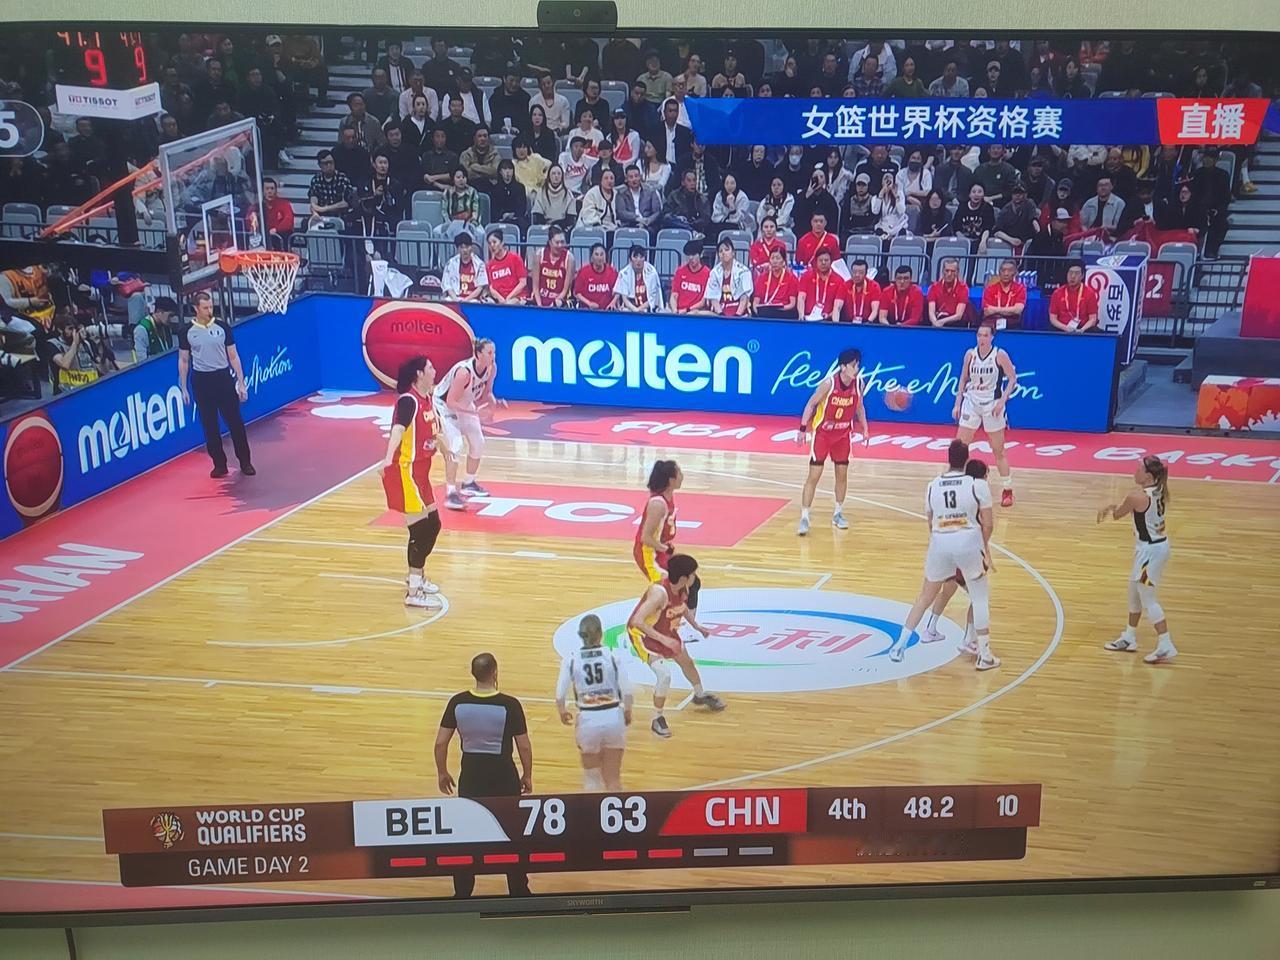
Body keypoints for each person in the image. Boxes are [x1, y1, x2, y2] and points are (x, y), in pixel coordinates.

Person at [887, 439, 999, 671]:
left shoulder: (932, 485)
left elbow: (930, 522)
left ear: (948, 459)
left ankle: (899, 645)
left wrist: (940, 544)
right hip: (968, 543)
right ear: (967, 459)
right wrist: (983, 547)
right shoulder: (977, 484)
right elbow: (988, 524)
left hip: (939, 542)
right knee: (979, 598)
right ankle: (985, 654)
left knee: (924, 598)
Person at [435, 652, 532, 898]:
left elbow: (440, 743)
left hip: (471, 777)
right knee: (512, 834)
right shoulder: (510, 704)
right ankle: (518, 890)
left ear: (473, 673)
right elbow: (523, 746)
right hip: (504, 777)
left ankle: (462, 892)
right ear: (495, 672)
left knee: (467, 835)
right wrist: (527, 775)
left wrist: (442, 772)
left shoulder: (457, 702)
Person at [626, 553, 725, 739]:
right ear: (683, 578)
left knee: (687, 662)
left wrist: (696, 626)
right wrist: (664, 640)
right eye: (692, 574)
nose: (695, 576)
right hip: (643, 635)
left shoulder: (683, 588)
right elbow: (636, 621)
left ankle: (699, 695)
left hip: (664, 630)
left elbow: (682, 607)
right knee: (664, 676)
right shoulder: (659, 593)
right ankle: (657, 718)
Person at [1097, 455, 1177, 664]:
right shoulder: (1159, 489)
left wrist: (1109, 507)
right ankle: (1129, 637)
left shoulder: (1136, 497)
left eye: (1139, 469)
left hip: (1150, 552)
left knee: (1148, 598)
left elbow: (1118, 514)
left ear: (1148, 476)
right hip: (1154, 547)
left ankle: (1166, 644)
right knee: (1133, 591)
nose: (1135, 471)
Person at [379, 356, 444, 609]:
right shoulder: (409, 401)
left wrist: (447, 450)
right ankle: (413, 592)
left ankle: (417, 576)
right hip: (404, 471)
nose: (435, 370)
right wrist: (387, 459)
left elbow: (434, 433)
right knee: (420, 531)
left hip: (421, 473)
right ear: (419, 374)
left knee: (433, 525)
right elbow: (397, 430)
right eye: (430, 367)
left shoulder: (428, 399)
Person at [919, 457, 994, 659]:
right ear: (983, 476)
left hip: (945, 550)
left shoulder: (956, 491)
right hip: (965, 553)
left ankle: (930, 629)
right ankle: (969, 640)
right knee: (978, 598)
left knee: (948, 590)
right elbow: (983, 527)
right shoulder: (977, 494)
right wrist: (985, 554)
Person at [177, 291, 254, 479]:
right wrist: (184, 387)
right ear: (196, 308)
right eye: (205, 308)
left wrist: (241, 382)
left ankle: (245, 461)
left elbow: (233, 356)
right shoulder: (186, 331)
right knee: (209, 425)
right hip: (202, 381)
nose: (209, 310)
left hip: (223, 378)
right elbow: (184, 360)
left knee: (235, 422)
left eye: (211, 307)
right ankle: (219, 464)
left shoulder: (222, 327)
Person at [796, 347, 869, 535]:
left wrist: (865, 428)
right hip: (823, 435)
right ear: (843, 367)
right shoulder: (828, 384)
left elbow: (859, 407)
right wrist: (802, 429)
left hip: (842, 435)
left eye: (858, 365)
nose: (857, 369)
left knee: (842, 475)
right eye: (854, 365)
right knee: (814, 476)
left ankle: (838, 513)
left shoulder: (859, 384)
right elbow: (811, 404)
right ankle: (804, 517)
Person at [556, 614, 633, 791]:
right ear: (600, 633)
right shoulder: (612, 656)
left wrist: (562, 711)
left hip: (588, 720)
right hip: (613, 717)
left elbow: (560, 695)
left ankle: (592, 809)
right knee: (613, 779)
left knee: (591, 780)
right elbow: (627, 691)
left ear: (580, 634)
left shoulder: (572, 659)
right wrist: (628, 711)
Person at [436, 337, 506, 511]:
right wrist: (474, 413)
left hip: (465, 404)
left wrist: (494, 402)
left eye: (494, 352)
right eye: (489, 353)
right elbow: (451, 401)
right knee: (456, 446)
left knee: (478, 443)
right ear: (478, 354)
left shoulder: (492, 368)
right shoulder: (464, 373)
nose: (493, 356)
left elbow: (487, 393)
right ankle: (451, 493)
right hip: (445, 406)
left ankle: (469, 483)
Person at [953, 324, 1018, 507]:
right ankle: (963, 485)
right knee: (959, 448)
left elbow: (1012, 378)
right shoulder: (970, 354)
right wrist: (957, 403)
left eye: (985, 335)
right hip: (972, 402)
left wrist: (1002, 401)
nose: (981, 339)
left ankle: (1007, 489)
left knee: (998, 450)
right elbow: (963, 379)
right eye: (979, 335)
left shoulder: (999, 355)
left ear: (992, 337)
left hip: (992, 404)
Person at [706, 238, 754, 317]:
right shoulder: (714, 273)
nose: (723, 253)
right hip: (719, 313)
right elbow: (713, 297)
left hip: (739, 314)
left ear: (733, 253)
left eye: (726, 250)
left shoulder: (744, 271)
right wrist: (720, 314)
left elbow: (744, 297)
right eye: (720, 251)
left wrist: (737, 316)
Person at [437, 167, 484, 244]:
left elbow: (476, 210)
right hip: (451, 223)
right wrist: (449, 223)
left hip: (470, 222)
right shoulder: (447, 193)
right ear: (453, 179)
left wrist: (472, 224)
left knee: (481, 233)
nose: (461, 180)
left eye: (463, 177)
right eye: (458, 177)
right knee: (437, 231)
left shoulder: (473, 192)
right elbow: (444, 211)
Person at [531, 225, 575, 307]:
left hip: (559, 299)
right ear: (550, 242)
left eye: (562, 242)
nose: (560, 245)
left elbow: (565, 290)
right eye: (557, 242)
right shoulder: (539, 254)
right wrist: (540, 306)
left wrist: (552, 306)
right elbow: (535, 287)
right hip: (540, 297)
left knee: (558, 303)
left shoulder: (569, 258)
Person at [1048, 263, 1099, 333]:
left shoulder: (1090, 293)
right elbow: (1053, 319)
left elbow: (1093, 319)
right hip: (1062, 327)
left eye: (1077, 273)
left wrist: (1082, 330)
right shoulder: (1057, 293)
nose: (1073, 276)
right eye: (1070, 273)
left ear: (1082, 276)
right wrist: (1065, 328)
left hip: (1083, 328)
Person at [797, 249, 845, 322]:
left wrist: (829, 317)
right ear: (816, 261)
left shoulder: (839, 280)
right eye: (820, 260)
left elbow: (837, 307)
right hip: (807, 319)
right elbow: (801, 297)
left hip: (827, 320)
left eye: (826, 260)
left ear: (831, 261)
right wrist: (801, 316)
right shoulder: (806, 276)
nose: (823, 263)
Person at [483, 229, 528, 304]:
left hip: (516, 297)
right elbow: (491, 287)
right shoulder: (489, 265)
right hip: (499, 299)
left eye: (494, 242)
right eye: (489, 243)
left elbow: (523, 283)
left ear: (502, 243)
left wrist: (508, 298)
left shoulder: (515, 258)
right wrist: (500, 298)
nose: (492, 246)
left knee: (509, 304)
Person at [612, 245, 662, 312]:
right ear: (630, 259)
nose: (638, 260)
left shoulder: (652, 272)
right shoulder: (624, 273)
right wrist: (635, 310)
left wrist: (639, 309)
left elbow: (652, 298)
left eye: (641, 257)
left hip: (649, 309)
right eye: (635, 257)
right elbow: (625, 299)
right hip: (630, 309)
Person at [752, 247, 799, 318]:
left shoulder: (791, 278)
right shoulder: (762, 277)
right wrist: (759, 312)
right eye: (772, 258)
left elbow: (792, 304)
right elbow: (755, 302)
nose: (775, 261)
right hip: (765, 312)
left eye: (778, 258)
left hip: (784, 312)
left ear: (784, 262)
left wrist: (776, 311)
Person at [440, 233, 489, 301]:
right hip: (455, 297)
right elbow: (447, 285)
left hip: (473, 299)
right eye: (461, 247)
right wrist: (456, 299)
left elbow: (480, 287)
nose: (465, 250)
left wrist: (466, 300)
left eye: (467, 246)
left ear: (471, 247)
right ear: (457, 249)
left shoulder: (479, 264)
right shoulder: (451, 263)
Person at [981, 259, 1027, 330]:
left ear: (1015, 273)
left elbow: (1018, 310)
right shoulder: (990, 289)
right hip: (992, 323)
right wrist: (1010, 310)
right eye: (1003, 270)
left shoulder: (1020, 289)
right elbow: (987, 311)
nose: (1006, 274)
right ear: (999, 272)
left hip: (1012, 324)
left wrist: (995, 310)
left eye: (1010, 270)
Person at [669, 239, 712, 314]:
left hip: (695, 312)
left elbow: (703, 302)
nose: (690, 258)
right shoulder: (680, 271)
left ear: (701, 254)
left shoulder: (708, 274)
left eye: (693, 254)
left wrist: (687, 310)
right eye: (688, 255)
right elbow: (674, 295)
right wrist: (674, 310)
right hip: (679, 311)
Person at [531, 163, 578, 229]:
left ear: (562, 176)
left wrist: (558, 225)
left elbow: (571, 219)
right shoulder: (541, 193)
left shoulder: (568, 194)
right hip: (544, 228)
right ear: (549, 176)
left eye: (559, 174)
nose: (556, 176)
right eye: (553, 173)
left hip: (562, 228)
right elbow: (537, 215)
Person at [573, 242, 618, 309]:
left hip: (607, 310)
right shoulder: (583, 272)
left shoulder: (612, 272)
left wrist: (613, 303)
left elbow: (618, 292)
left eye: (602, 254)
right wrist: (589, 303)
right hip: (587, 309)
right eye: (596, 254)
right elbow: (577, 293)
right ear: (591, 257)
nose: (599, 257)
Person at [927, 258, 970, 327]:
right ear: (942, 271)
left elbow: (959, 315)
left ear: (957, 272)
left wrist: (942, 321)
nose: (949, 274)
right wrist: (935, 322)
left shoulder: (963, 288)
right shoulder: (933, 287)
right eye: (947, 271)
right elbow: (931, 312)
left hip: (954, 323)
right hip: (938, 321)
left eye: (953, 271)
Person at [133, 296, 177, 360]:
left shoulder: (166, 328)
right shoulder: (142, 329)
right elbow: (142, 359)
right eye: (170, 316)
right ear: (160, 311)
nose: (171, 320)